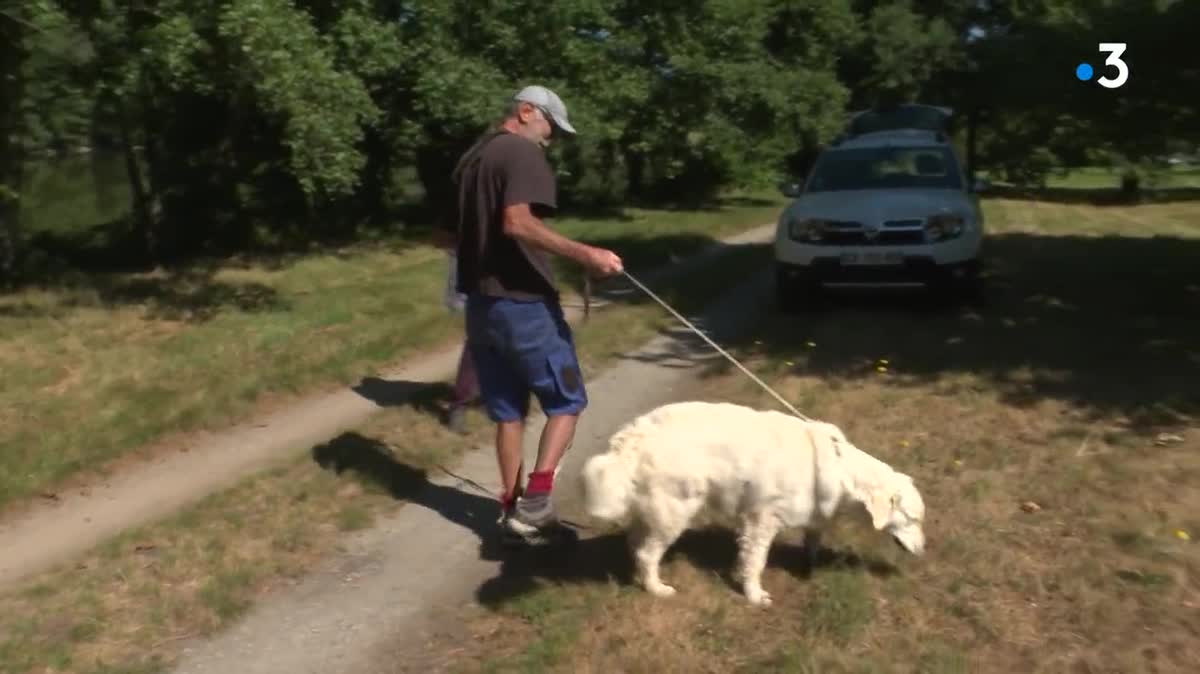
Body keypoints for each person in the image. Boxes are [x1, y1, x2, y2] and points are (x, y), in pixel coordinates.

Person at [437, 85, 624, 542]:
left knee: (508, 413)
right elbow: (517, 222)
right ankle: (536, 503)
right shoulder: (520, 153)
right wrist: (586, 255)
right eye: (551, 128)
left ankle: (511, 511)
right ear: (526, 113)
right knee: (567, 401)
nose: (551, 140)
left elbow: (447, 234)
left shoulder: (472, 159)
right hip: (523, 305)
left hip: (482, 307)